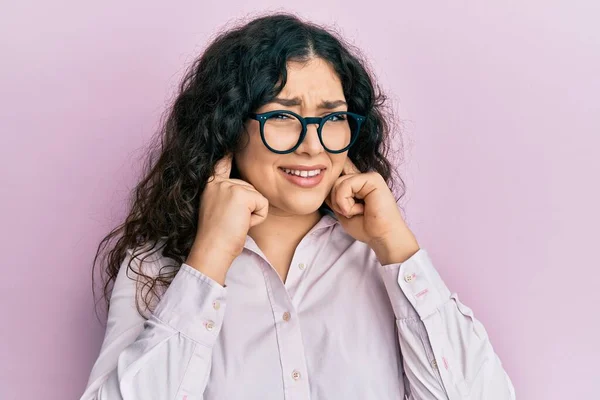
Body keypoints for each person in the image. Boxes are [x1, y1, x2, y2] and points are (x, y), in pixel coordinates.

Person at [81, 13, 515, 400]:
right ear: (230, 127)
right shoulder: (157, 268)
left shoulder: (383, 263)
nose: (313, 146)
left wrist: (397, 246)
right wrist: (209, 258)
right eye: (283, 117)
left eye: (333, 118)